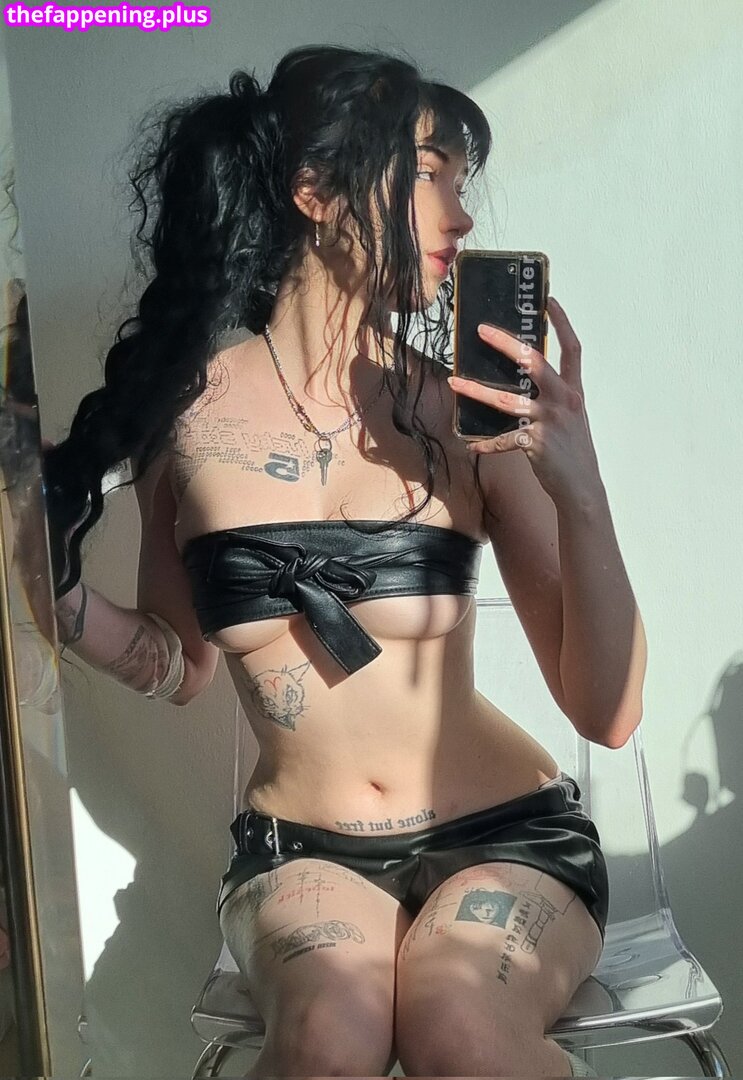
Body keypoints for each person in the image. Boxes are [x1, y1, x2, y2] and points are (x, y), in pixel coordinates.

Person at [46, 44, 647, 1077]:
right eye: (429, 174)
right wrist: (53, 598)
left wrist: (579, 490)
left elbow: (609, 712)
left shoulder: (459, 414)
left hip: (505, 837)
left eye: (462, 182)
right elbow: (181, 665)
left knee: (460, 1029)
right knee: (328, 1039)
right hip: (303, 854)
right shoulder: (184, 422)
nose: (461, 215)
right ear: (315, 192)